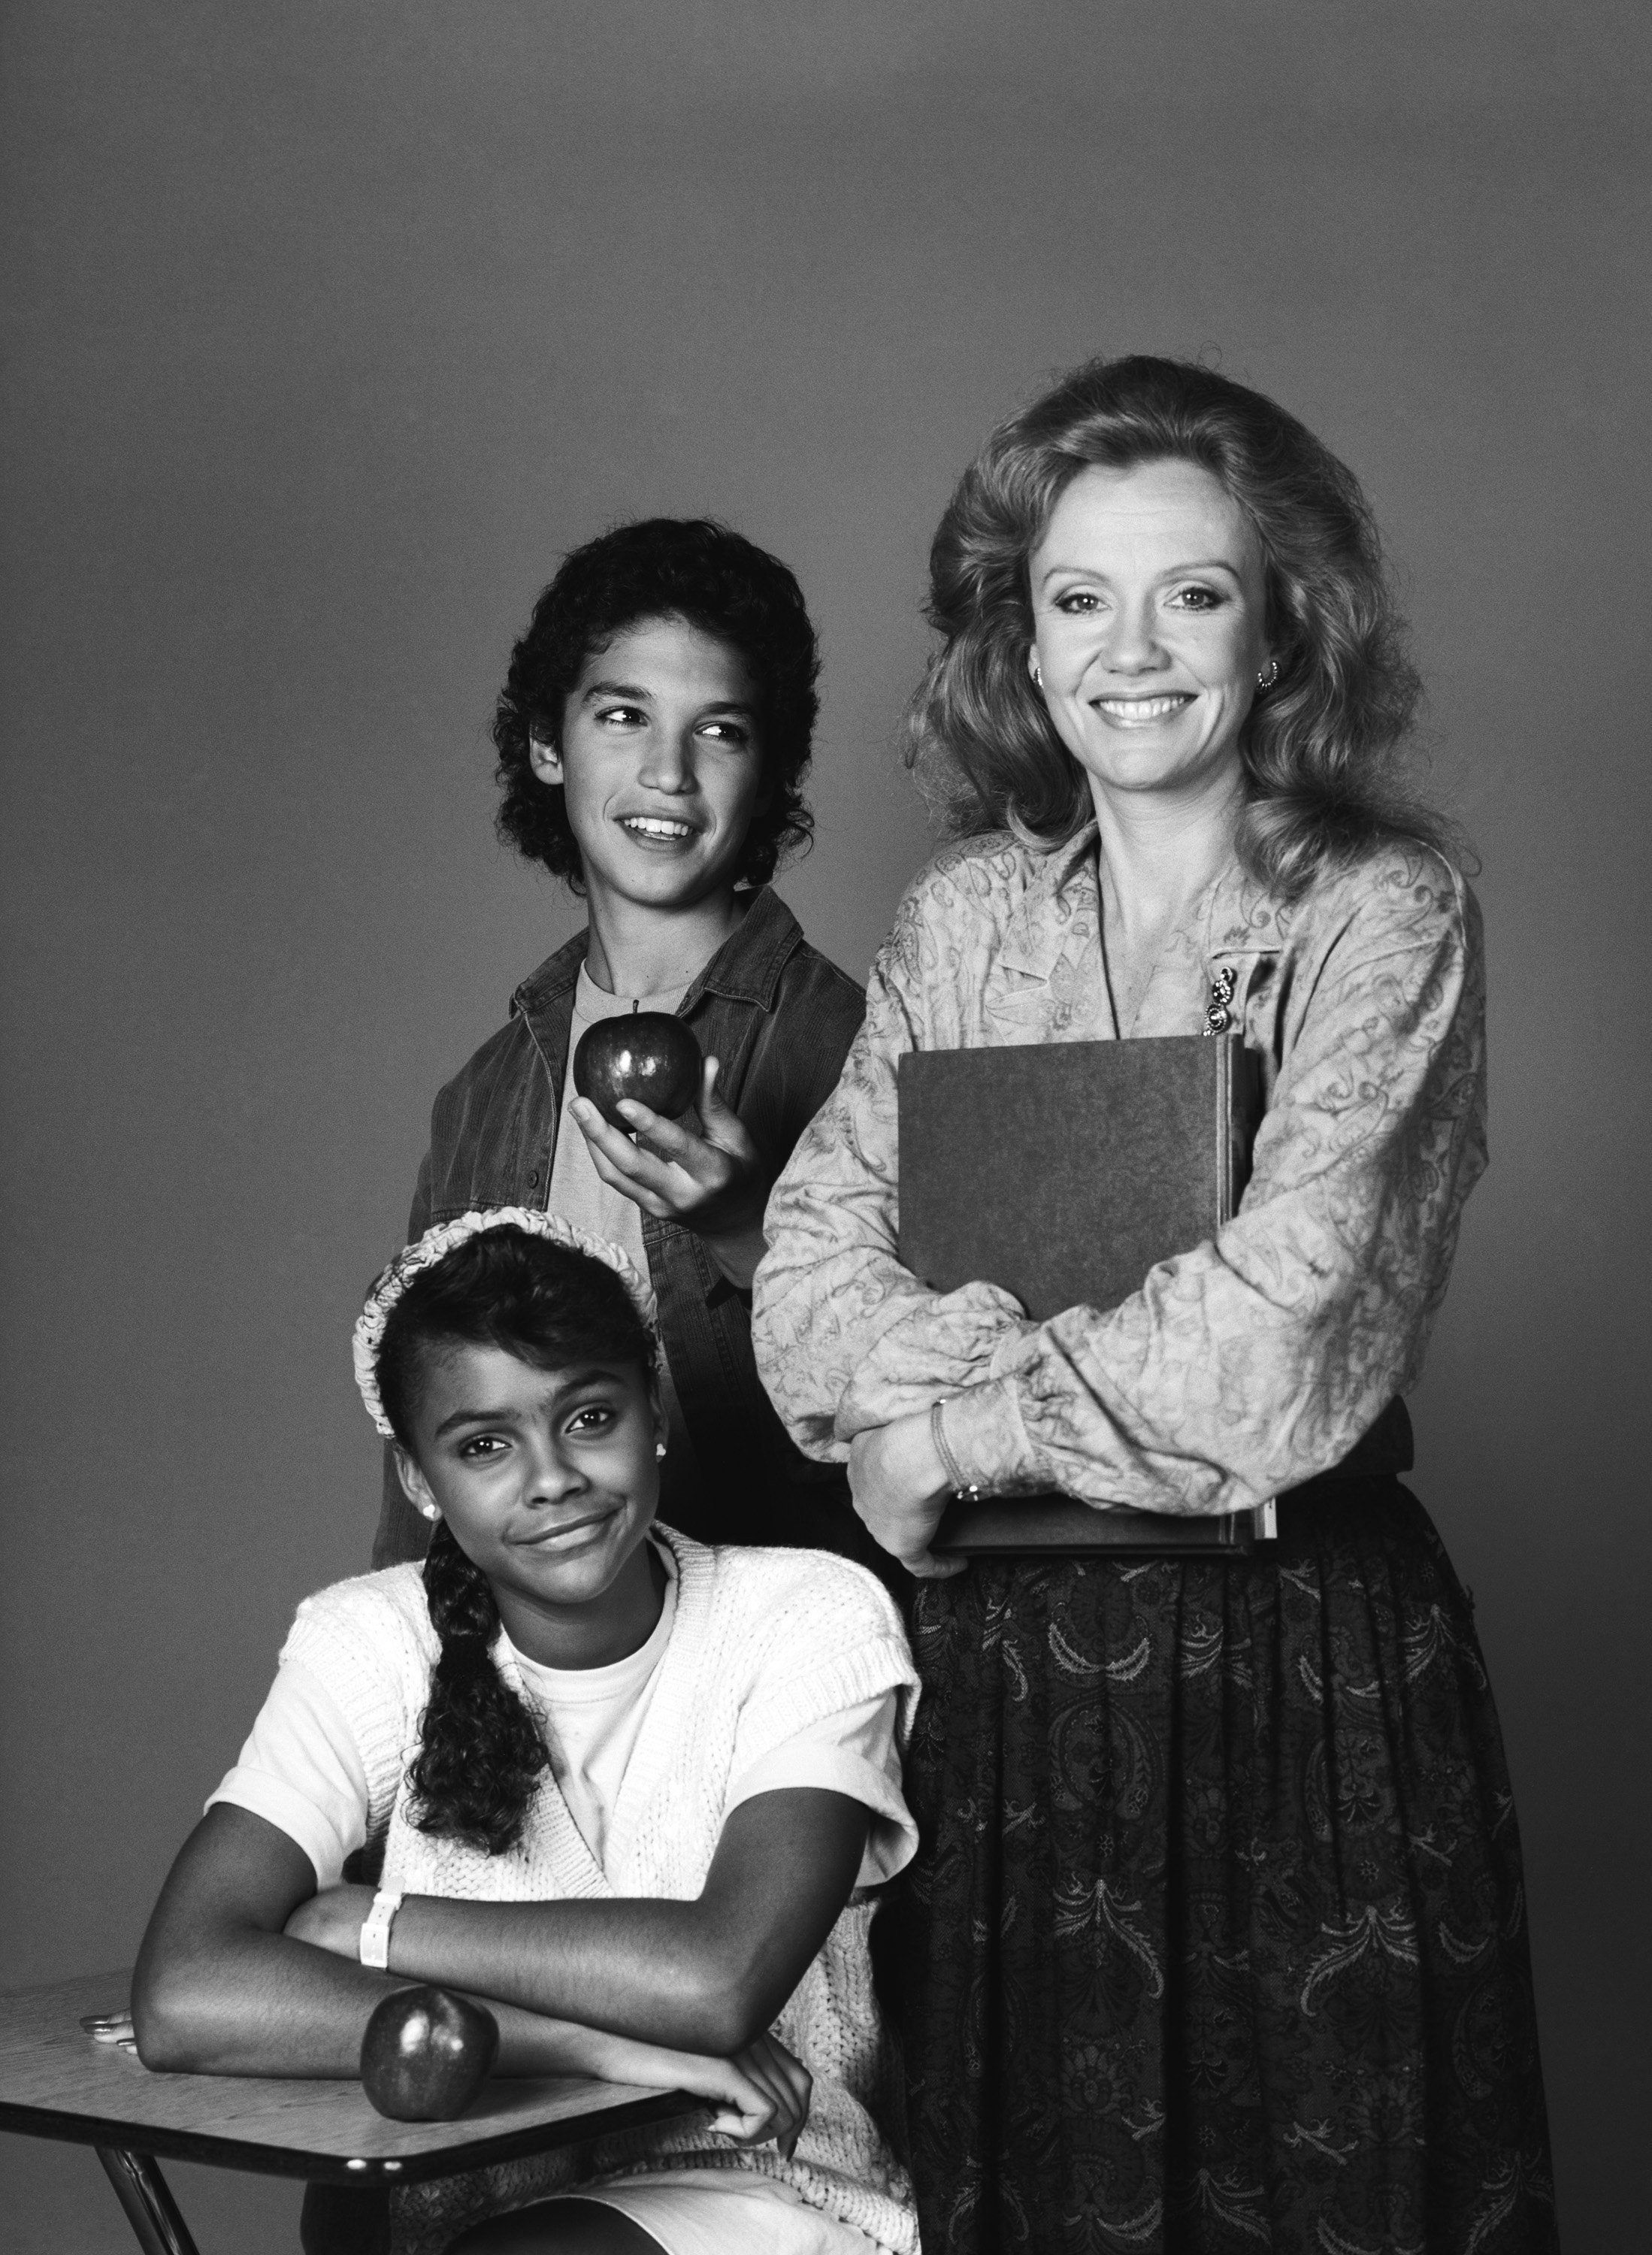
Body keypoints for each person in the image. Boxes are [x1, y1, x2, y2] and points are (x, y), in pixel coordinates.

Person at [752, 356, 1557, 2252]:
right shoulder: (962, 920)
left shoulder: (1384, 908)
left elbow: (1274, 1345)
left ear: (1280, 632)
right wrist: (997, 1381)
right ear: (1018, 647)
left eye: (1190, 592)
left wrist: (945, 1424)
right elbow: (800, 1297)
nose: (1132, 649)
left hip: (1305, 1680)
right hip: (1003, 1698)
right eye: (1076, 598)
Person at [132, 1210, 921, 2255]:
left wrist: (369, 1924)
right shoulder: (368, 1639)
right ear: (420, 1480)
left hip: (752, 2181)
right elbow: (184, 1996)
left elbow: (714, 1982)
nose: (550, 1478)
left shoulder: (807, 1616)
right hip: (455, 2187)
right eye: (484, 1445)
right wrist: (593, 2045)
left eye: (588, 1418)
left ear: (653, 1412)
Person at [372, 519, 867, 1571]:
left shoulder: (857, 1046)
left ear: (768, 767)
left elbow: (929, 1405)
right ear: (548, 744)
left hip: (789, 1649)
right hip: (547, 1664)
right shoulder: (486, 1093)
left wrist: (745, 1230)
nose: (669, 772)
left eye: (720, 730)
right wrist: (416, 1671)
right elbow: (424, 1445)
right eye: (623, 715)